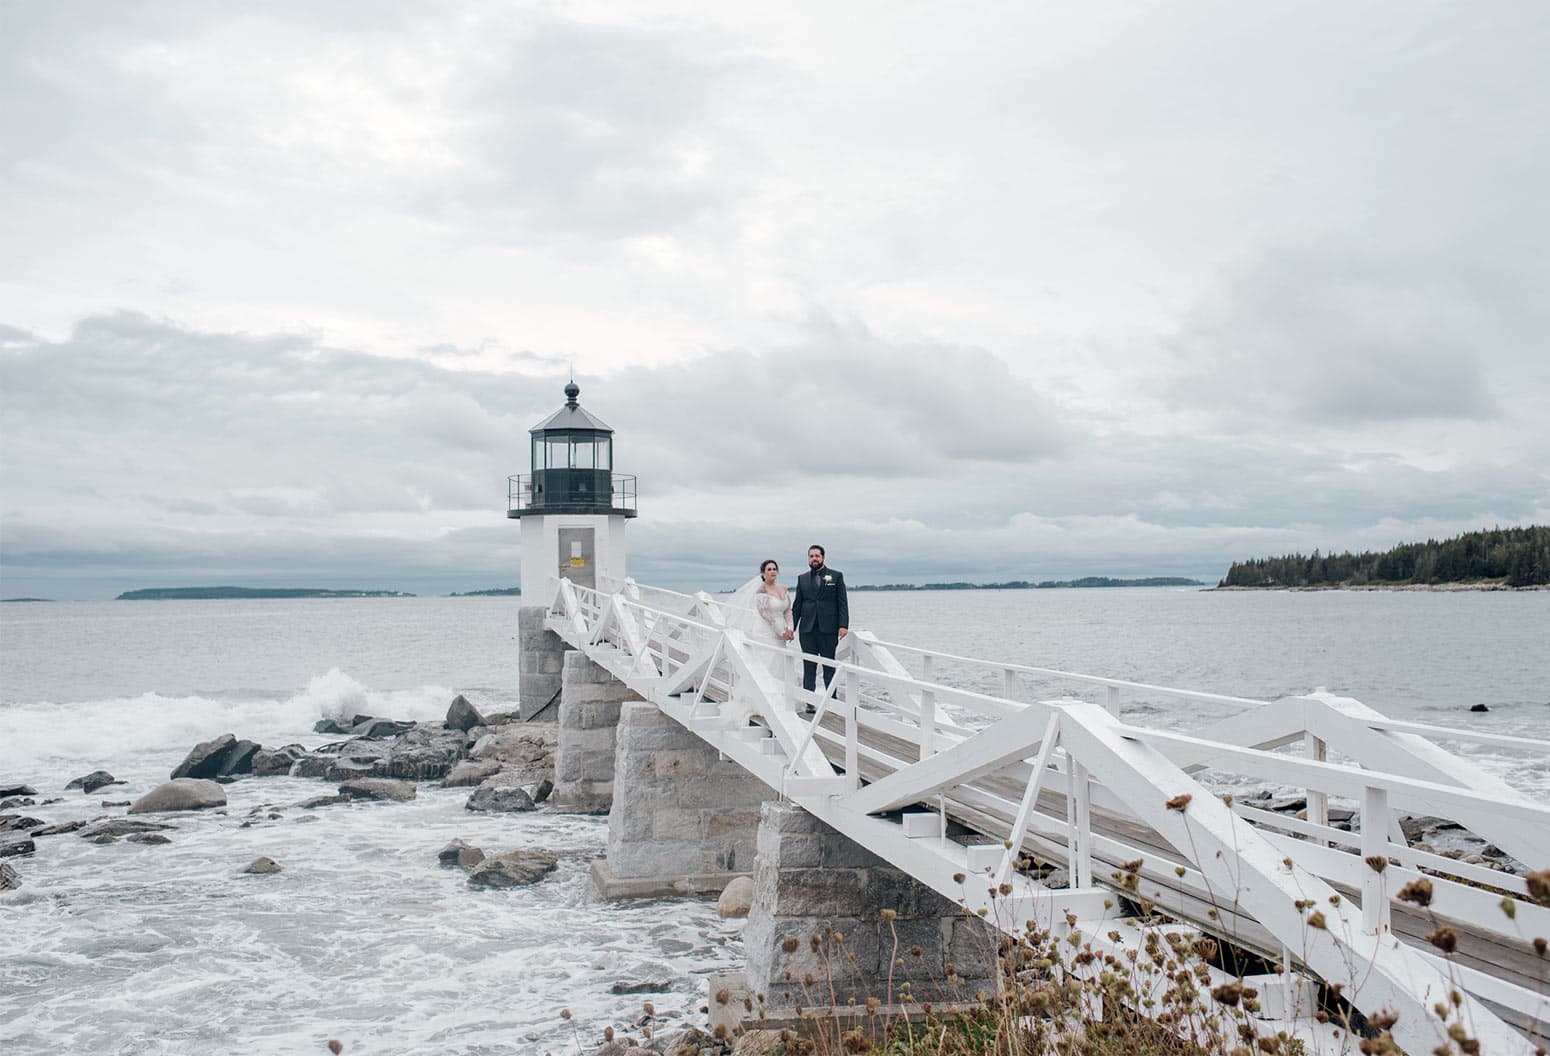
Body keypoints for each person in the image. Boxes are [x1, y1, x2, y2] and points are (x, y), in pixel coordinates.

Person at [791, 544, 848, 694]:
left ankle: (832, 699)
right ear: (808, 559)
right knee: (809, 666)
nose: (814, 559)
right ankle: (809, 700)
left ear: (823, 557)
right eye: (811, 556)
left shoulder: (836, 576)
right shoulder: (802, 579)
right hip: (807, 630)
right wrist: (792, 627)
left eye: (817, 556)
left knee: (829, 665)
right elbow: (797, 606)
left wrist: (843, 625)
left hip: (828, 629)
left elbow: (842, 602)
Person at [731, 559, 794, 676]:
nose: (772, 571)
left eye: (774, 569)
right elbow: (765, 615)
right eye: (769, 569)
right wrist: (781, 632)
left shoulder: (783, 588)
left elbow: (787, 610)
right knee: (769, 661)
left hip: (781, 629)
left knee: (781, 661)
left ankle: (780, 692)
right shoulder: (761, 591)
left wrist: (790, 628)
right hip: (766, 630)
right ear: (763, 574)